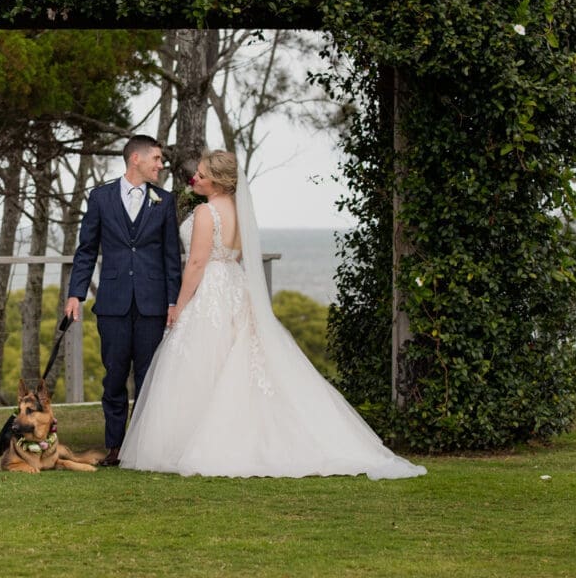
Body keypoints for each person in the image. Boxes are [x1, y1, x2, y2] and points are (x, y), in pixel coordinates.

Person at [119, 149, 426, 480]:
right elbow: (235, 256)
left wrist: (179, 305)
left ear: (218, 182)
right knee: (234, 361)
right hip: (234, 286)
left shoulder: (208, 213)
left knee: (204, 361)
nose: (196, 178)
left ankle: (199, 442)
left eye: (203, 174)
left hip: (212, 287)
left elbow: (195, 263)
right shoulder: (239, 209)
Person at [65, 135, 183, 467]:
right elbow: (86, 250)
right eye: (156, 159)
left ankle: (144, 447)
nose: (160, 165)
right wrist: (76, 293)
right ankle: (115, 448)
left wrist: (173, 302)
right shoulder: (101, 198)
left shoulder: (164, 200)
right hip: (113, 303)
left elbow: (171, 257)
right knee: (114, 375)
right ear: (136, 159)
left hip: (153, 303)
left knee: (148, 377)